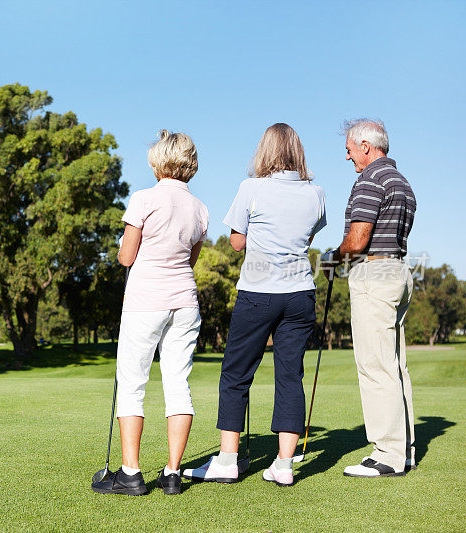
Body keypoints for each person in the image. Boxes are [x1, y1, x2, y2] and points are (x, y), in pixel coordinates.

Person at [196, 123, 326, 487]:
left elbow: (237, 243)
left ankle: (227, 461)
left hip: (258, 291)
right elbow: (309, 233)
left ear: (265, 151)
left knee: (236, 374)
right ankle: (284, 467)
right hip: (300, 294)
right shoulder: (315, 192)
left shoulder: (250, 188)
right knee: (290, 377)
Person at [91, 130, 209, 496]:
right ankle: (172, 474)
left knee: (132, 383)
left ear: (158, 161)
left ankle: (130, 473)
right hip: (185, 303)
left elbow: (127, 257)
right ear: (189, 163)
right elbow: (190, 260)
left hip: (145, 302)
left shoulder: (143, 199)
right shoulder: (200, 208)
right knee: (178, 385)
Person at [321, 119, 416, 477]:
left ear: (365, 145)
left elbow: (358, 240)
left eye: (348, 150)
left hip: (374, 275)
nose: (348, 157)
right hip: (398, 272)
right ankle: (403, 450)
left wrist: (333, 258)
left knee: (376, 366)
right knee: (395, 365)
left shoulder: (370, 180)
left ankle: (387, 455)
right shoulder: (401, 182)